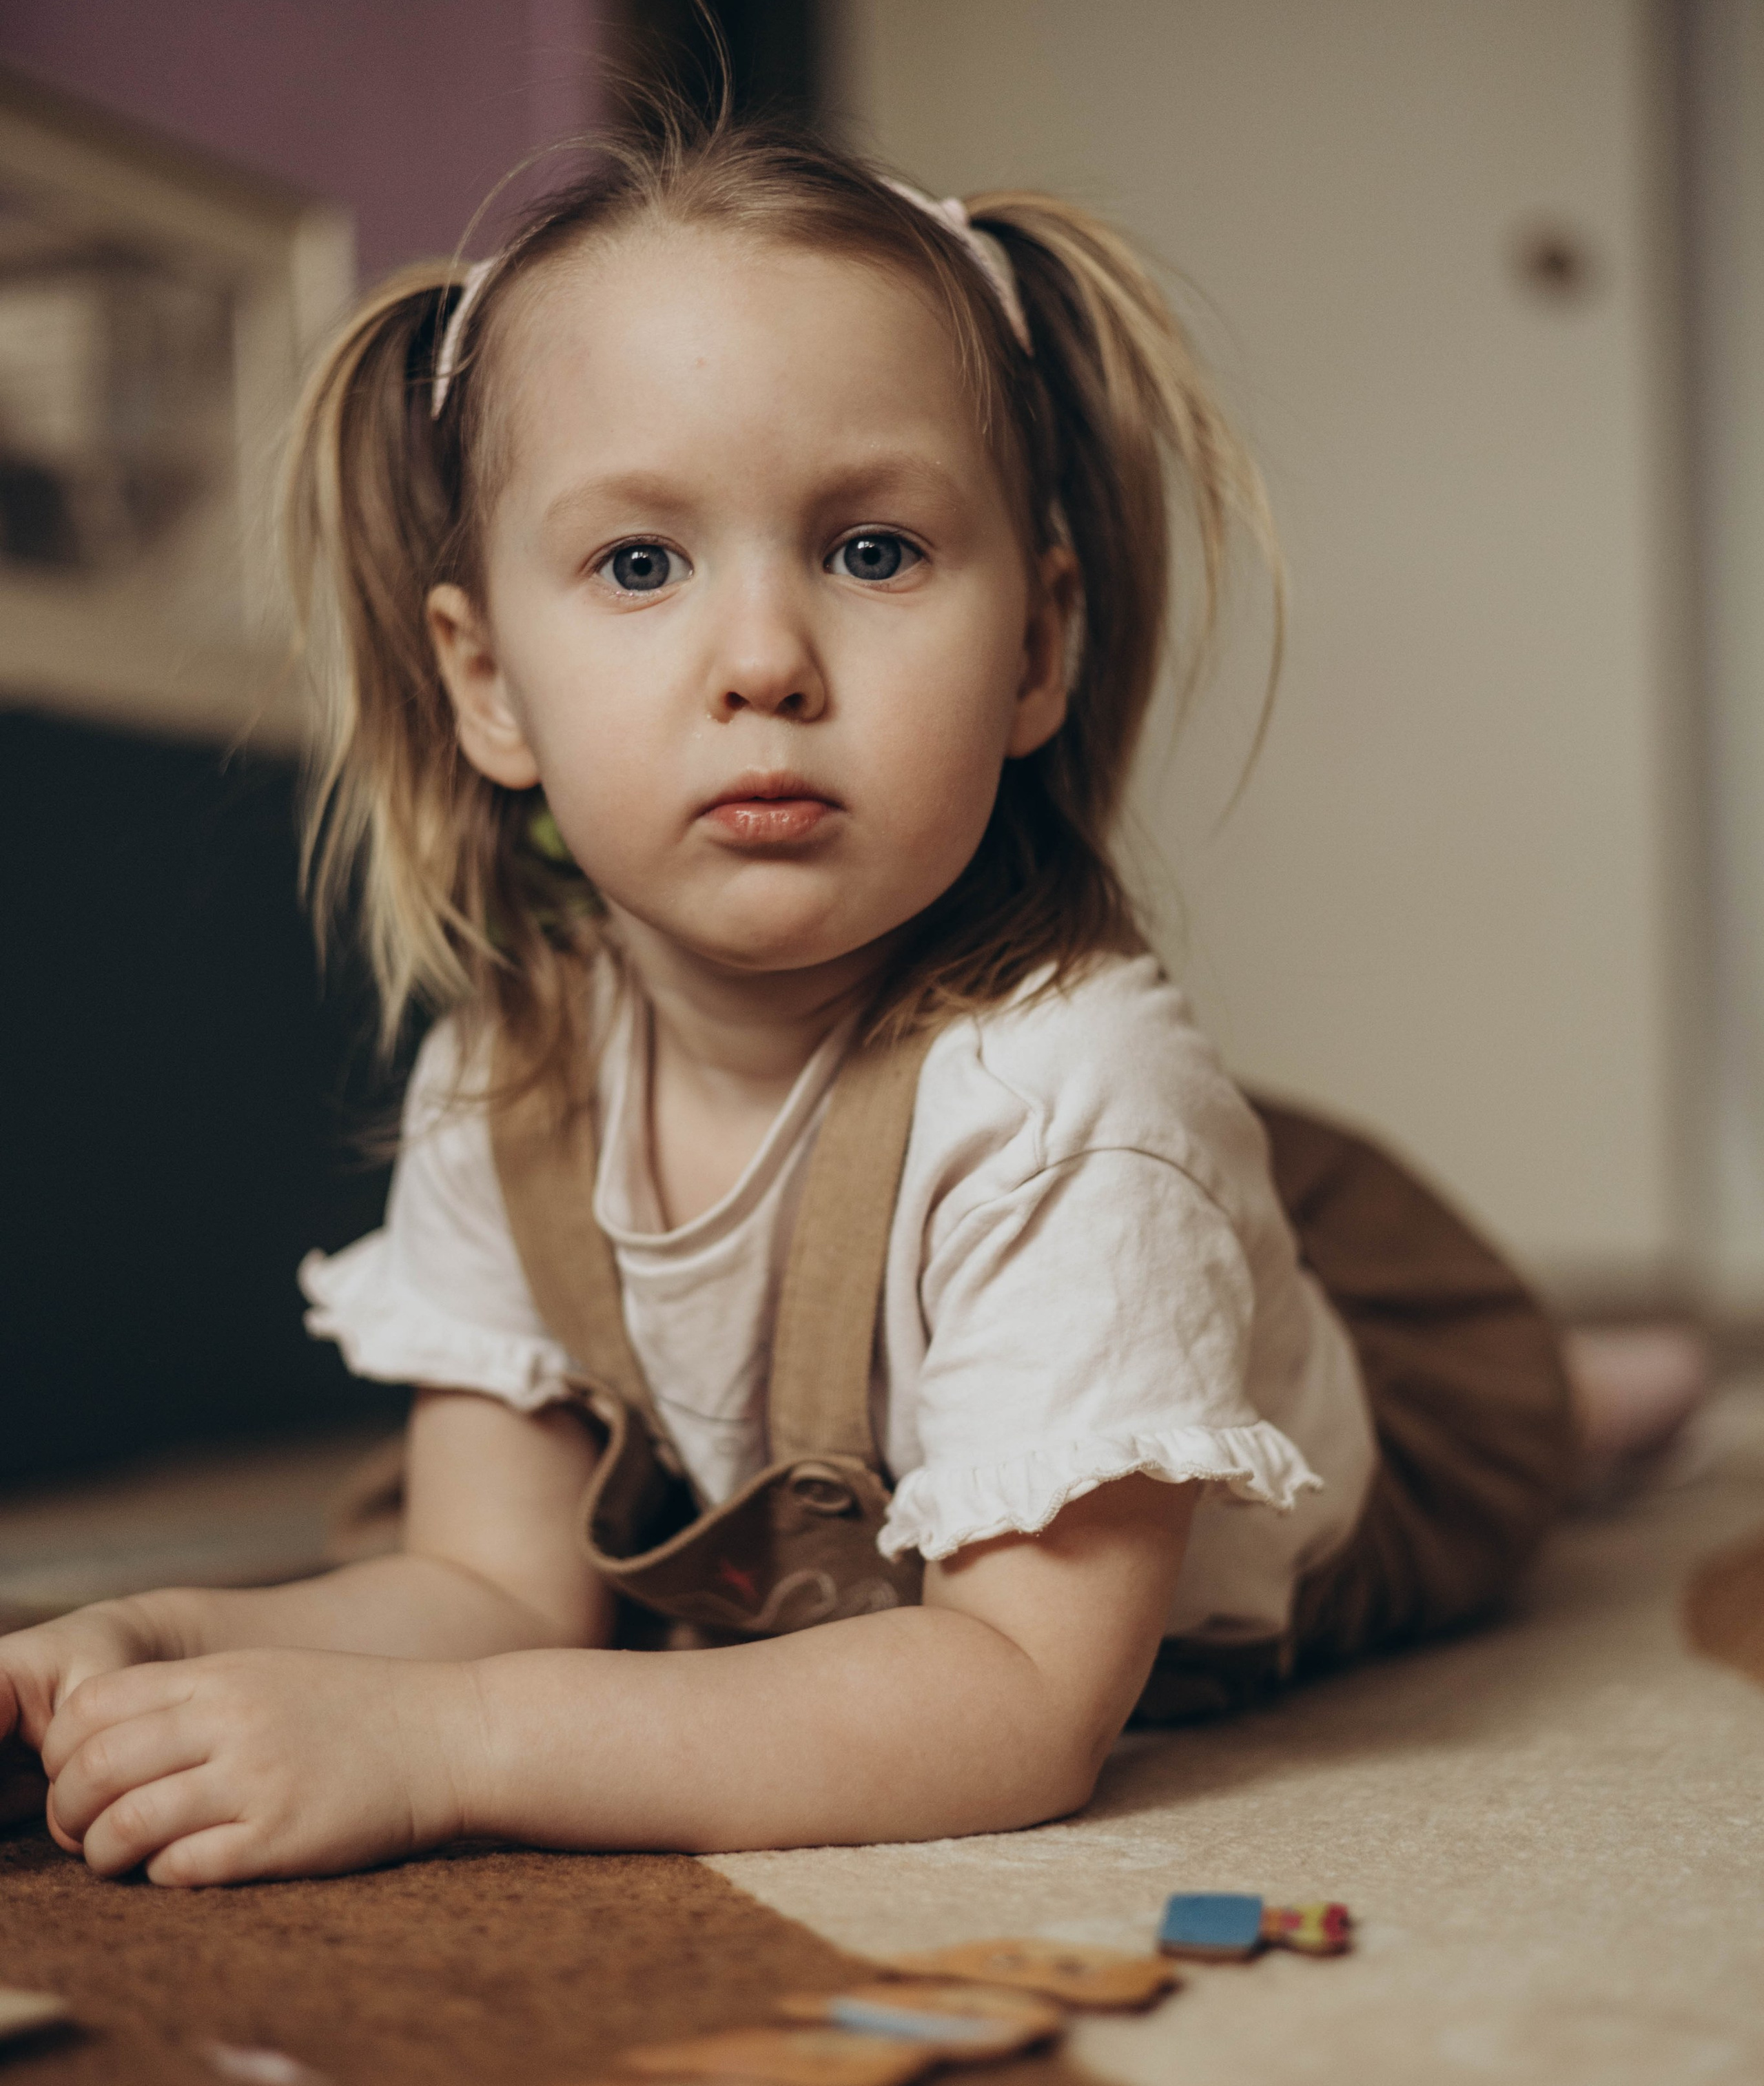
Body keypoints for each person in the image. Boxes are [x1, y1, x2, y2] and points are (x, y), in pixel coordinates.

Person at [0, 102, 1581, 1888]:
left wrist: (448, 1747)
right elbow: (494, 1590)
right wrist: (170, 1650)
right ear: (486, 679)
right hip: (1031, 1269)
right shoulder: (510, 1082)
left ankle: (1612, 1388)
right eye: (642, 564)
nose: (763, 661)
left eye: (872, 551)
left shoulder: (1073, 1105)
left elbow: (1009, 1694)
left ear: (1038, 646)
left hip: (1371, 1423)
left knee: (1559, 1430)